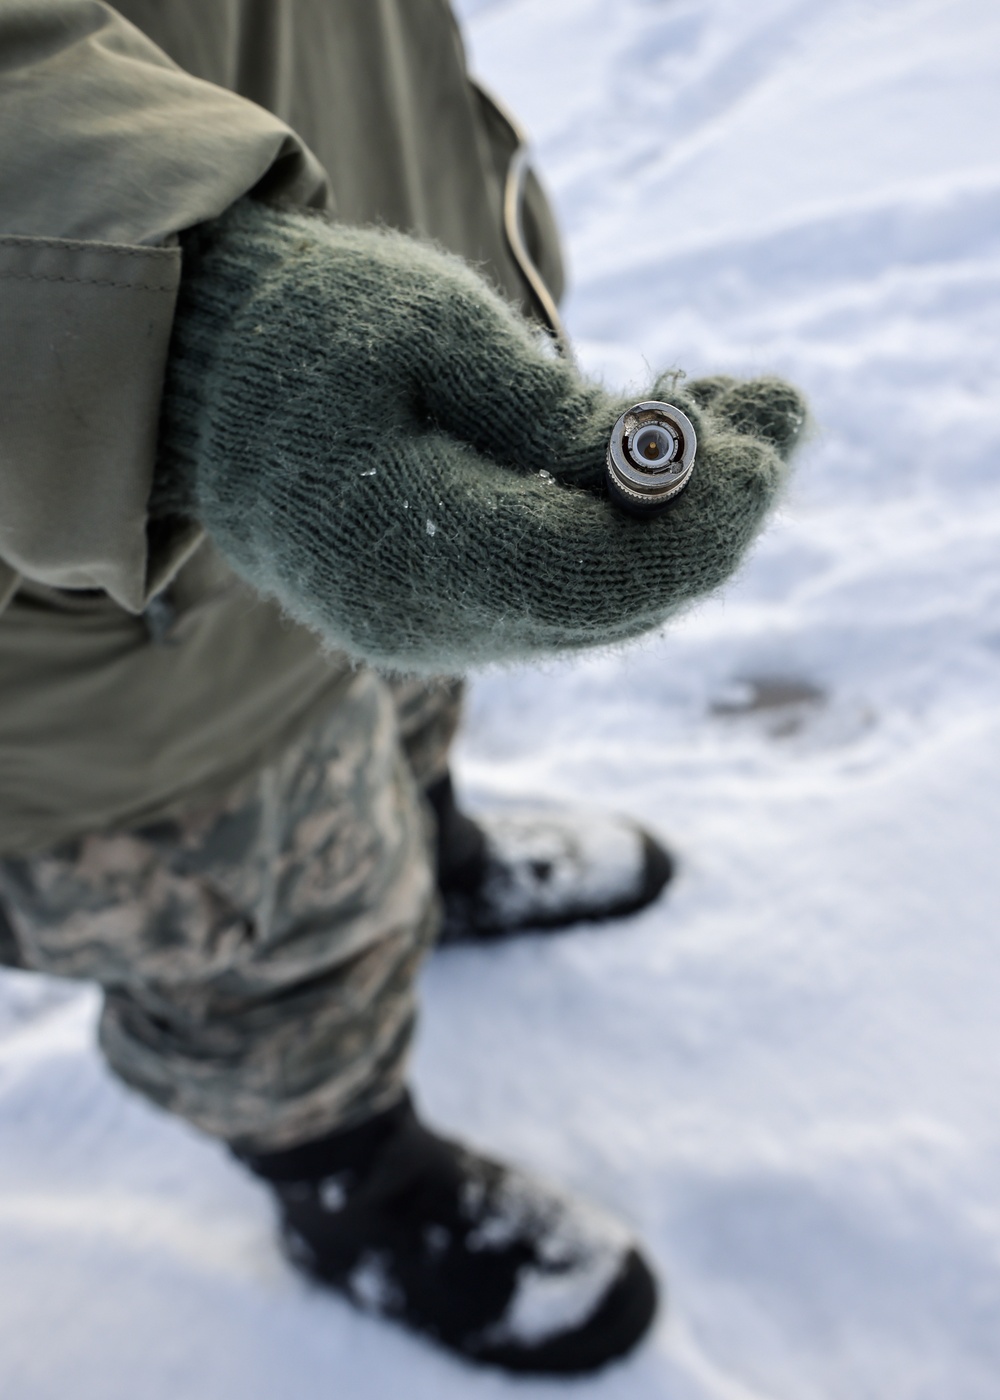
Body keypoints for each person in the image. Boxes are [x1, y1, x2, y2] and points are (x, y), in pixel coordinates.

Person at [0, 0, 805, 1376]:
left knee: (408, 701)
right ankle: (353, 1184)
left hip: (376, 255)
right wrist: (182, 333)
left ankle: (434, 848)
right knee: (264, 934)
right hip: (100, 586)